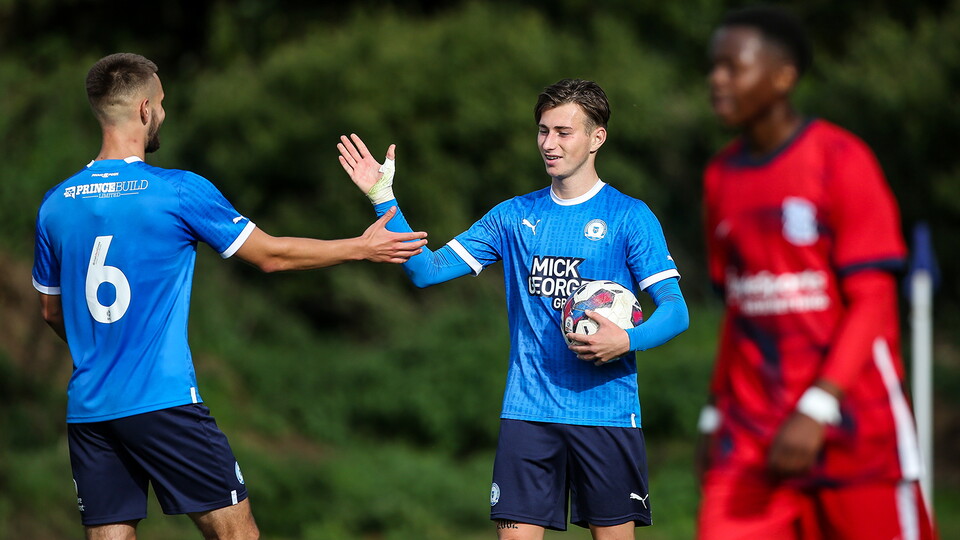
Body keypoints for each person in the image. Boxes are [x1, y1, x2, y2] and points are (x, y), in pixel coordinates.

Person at [31, 52, 427, 540]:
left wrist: (102, 354)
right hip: (162, 400)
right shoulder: (177, 190)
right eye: (162, 103)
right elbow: (271, 255)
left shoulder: (55, 204)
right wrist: (360, 247)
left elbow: (51, 310)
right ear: (143, 110)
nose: (164, 114)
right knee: (237, 534)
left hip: (91, 407)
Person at [337, 78, 689, 539]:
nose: (549, 143)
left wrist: (626, 339)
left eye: (564, 132)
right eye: (543, 131)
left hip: (605, 413)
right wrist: (383, 196)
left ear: (596, 138)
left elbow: (675, 311)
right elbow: (427, 271)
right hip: (528, 413)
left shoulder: (629, 216)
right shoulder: (511, 216)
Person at [697, 6, 937, 540]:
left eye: (733, 67)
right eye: (713, 67)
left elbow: (873, 300)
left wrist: (818, 407)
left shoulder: (840, 159)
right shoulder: (720, 177)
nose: (717, 80)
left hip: (853, 430)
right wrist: (714, 414)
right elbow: (739, 311)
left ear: (784, 76)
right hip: (753, 434)